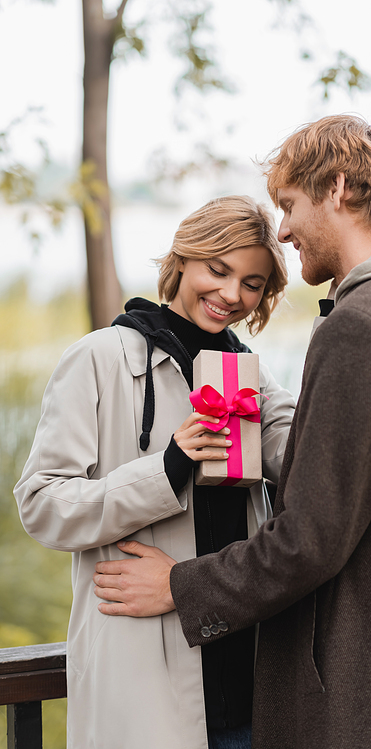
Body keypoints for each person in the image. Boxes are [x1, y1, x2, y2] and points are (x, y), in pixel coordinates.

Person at [92, 114, 371, 749]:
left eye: (289, 204)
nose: (283, 230)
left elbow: (307, 540)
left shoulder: (364, 325)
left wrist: (179, 584)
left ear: (336, 189)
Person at [14, 194, 295, 749]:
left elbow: (315, 462)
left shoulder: (254, 381)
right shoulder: (98, 359)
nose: (231, 294)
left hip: (252, 692)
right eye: (218, 270)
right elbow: (41, 504)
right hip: (144, 694)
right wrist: (166, 469)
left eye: (253, 283)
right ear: (183, 259)